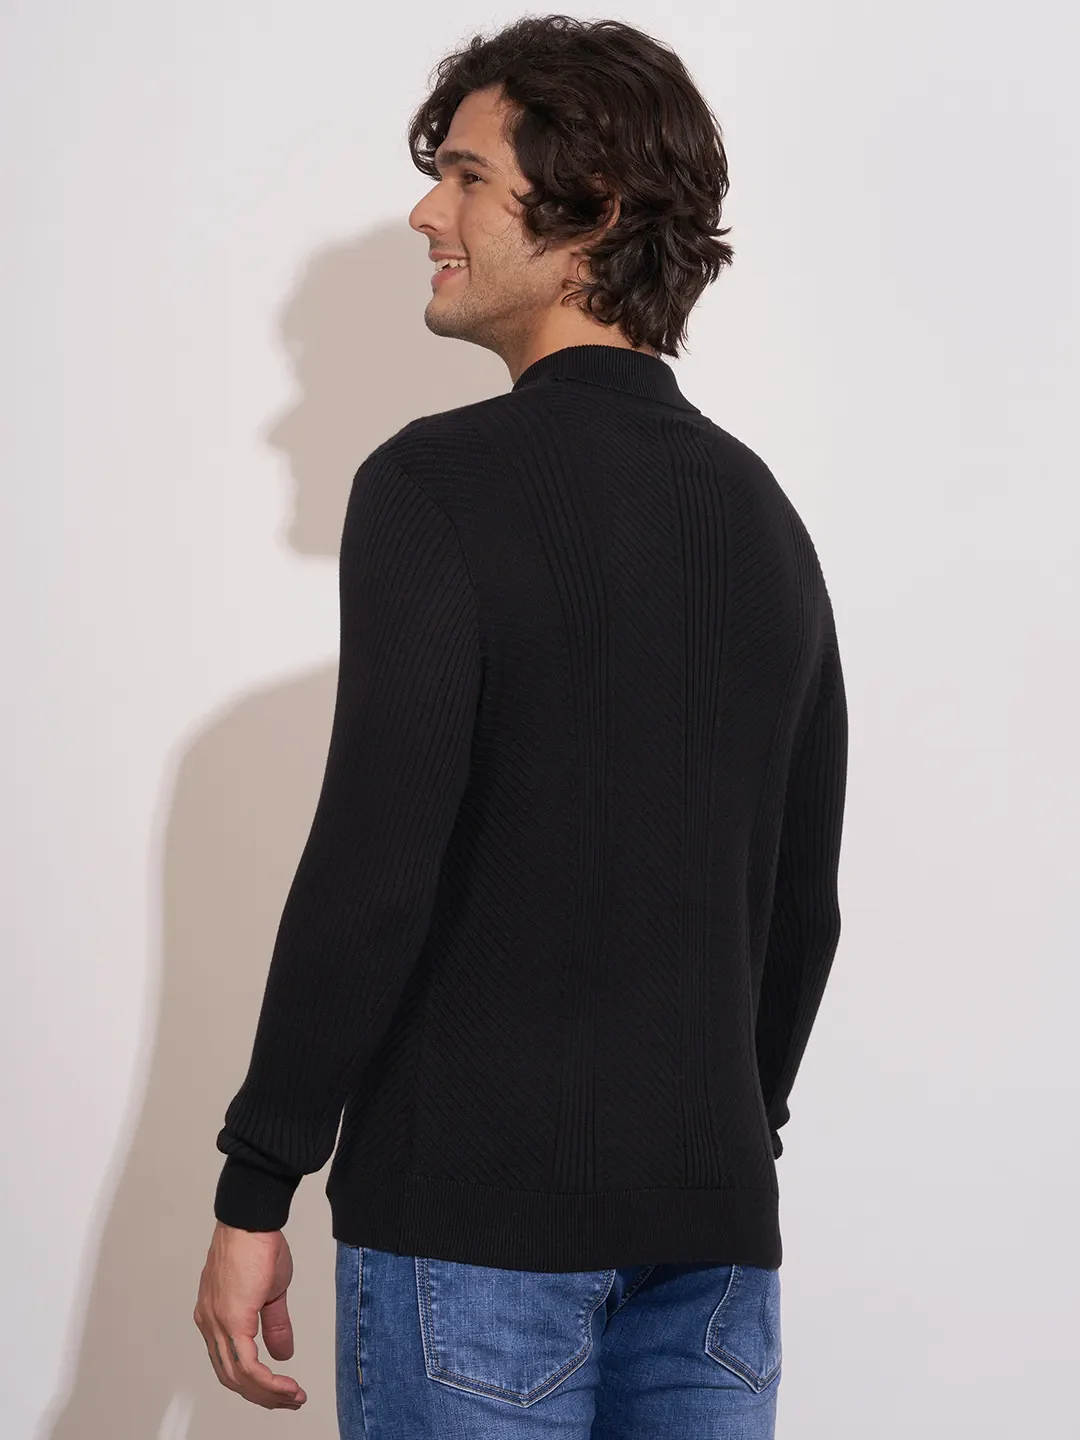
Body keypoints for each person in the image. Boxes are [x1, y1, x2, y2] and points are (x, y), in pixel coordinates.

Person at [193, 15, 848, 1438]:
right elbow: (803, 907)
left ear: (590, 209)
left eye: (468, 176)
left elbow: (373, 871)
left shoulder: (437, 484)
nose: (426, 212)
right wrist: (724, 1143)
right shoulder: (764, 514)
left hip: (473, 1234)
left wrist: (258, 1183)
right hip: (716, 1246)